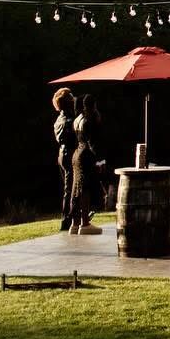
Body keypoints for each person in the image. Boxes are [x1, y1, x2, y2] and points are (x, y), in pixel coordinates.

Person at [69, 94, 104, 235]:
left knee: (75, 188)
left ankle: (74, 223)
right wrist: (100, 161)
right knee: (85, 188)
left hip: (76, 154)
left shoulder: (77, 119)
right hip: (86, 155)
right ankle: (85, 223)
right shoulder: (89, 120)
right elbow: (92, 142)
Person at [52, 88, 77, 231]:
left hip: (62, 154)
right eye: (72, 97)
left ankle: (69, 217)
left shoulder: (58, 119)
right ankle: (67, 219)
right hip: (69, 154)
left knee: (68, 187)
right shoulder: (70, 120)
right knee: (70, 188)